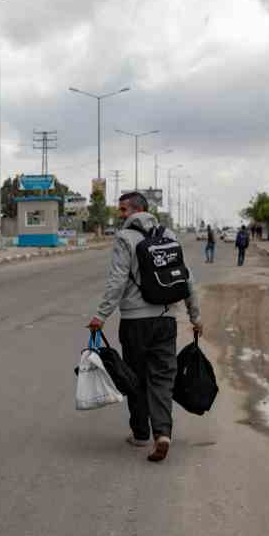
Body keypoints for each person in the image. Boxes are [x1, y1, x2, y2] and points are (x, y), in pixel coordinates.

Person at [87, 192, 203, 463]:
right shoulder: (169, 236)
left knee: (136, 378)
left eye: (123, 209)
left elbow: (117, 281)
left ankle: (140, 433)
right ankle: (162, 433)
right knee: (162, 379)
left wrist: (100, 316)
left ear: (137, 209)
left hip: (134, 322)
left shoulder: (125, 238)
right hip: (166, 320)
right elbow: (186, 278)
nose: (120, 214)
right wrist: (195, 317)